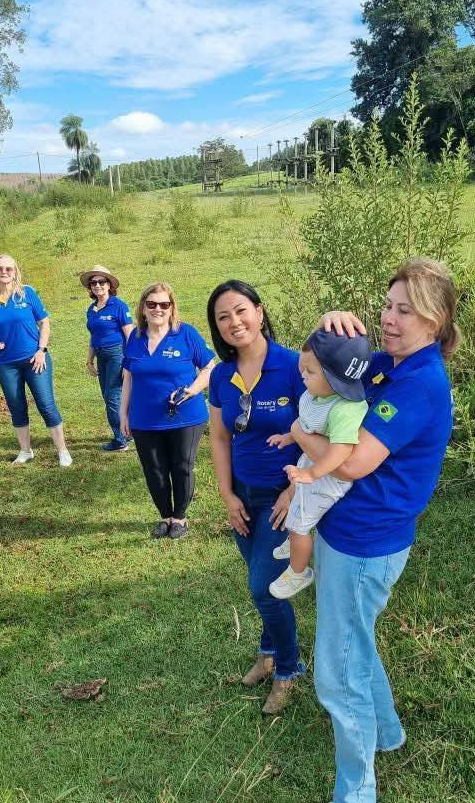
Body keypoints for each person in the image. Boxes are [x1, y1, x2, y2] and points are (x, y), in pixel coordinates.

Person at [290, 258, 461, 803]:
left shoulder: (419, 383)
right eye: (386, 306)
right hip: (351, 533)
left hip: (367, 543)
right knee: (355, 639)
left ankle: (356, 800)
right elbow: (322, 373)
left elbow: (357, 459)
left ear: (434, 322)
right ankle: (385, 733)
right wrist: (329, 326)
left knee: (338, 672)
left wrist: (298, 436)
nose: (388, 319)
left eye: (404, 310)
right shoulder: (393, 364)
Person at [207, 280, 306, 716]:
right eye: (223, 317)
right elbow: (219, 436)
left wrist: (294, 488)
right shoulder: (219, 374)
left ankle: (288, 667)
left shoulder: (294, 367)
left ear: (260, 313)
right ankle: (268, 651)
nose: (234, 322)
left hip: (282, 496)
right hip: (242, 495)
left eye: (241, 310)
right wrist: (227, 494)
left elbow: (319, 432)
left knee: (266, 587)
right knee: (258, 580)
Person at [267, 328, 372, 600]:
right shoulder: (317, 395)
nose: (303, 376)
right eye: (303, 370)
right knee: (297, 501)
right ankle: (294, 543)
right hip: (313, 463)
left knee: (301, 523)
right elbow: (307, 425)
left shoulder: (345, 408)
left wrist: (311, 474)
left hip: (328, 476)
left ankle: (298, 572)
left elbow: (341, 452)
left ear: (335, 379)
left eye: (310, 372)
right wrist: (289, 437)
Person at [120, 281, 215, 540]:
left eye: (164, 304)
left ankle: (180, 518)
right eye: (152, 304)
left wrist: (193, 390)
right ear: (143, 308)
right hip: (144, 419)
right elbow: (128, 376)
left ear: (172, 308)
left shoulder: (186, 334)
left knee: (181, 467)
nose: (158, 309)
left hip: (185, 417)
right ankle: (165, 516)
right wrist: (123, 414)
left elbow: (209, 367)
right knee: (154, 469)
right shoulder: (135, 338)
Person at [0, 254, 72, 467]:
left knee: (46, 404)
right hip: (5, 363)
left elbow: (44, 322)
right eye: (0, 269)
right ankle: (25, 450)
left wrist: (42, 350)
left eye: (8, 269)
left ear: (15, 272)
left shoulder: (27, 293)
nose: (4, 272)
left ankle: (63, 450)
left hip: (35, 359)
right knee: (16, 405)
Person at [80, 264, 134, 451]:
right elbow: (93, 336)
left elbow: (130, 334)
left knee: (112, 396)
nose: (97, 285)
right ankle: (130, 431)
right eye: (93, 282)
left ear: (109, 284)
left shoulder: (118, 306)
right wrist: (89, 360)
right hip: (101, 355)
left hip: (116, 354)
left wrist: (129, 361)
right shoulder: (92, 309)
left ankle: (121, 439)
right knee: (109, 395)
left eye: (102, 281)